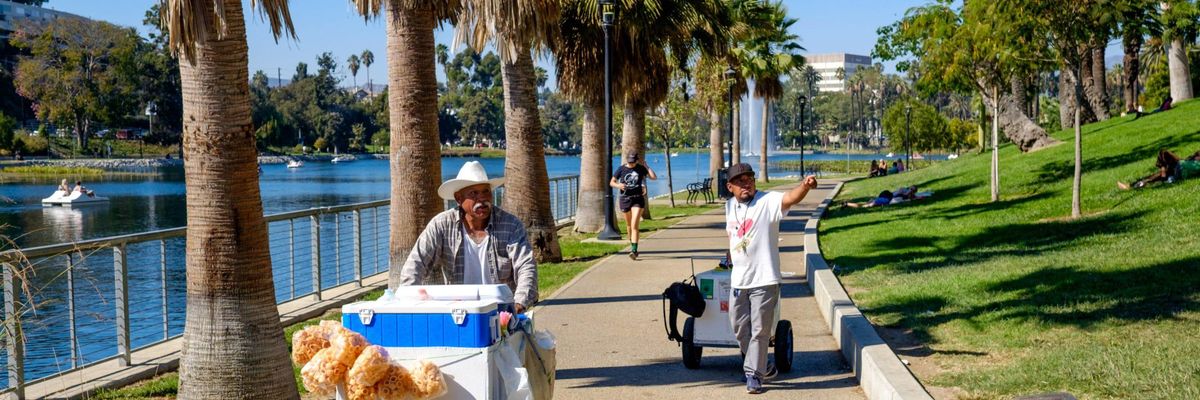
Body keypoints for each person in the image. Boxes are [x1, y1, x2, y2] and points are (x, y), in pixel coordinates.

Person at [723, 163, 818, 394]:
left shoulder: (767, 201)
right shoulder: (729, 206)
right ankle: (763, 364)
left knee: (760, 330)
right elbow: (735, 237)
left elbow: (790, 198)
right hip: (739, 280)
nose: (746, 184)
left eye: (750, 179)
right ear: (730, 186)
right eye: (740, 181)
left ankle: (754, 375)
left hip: (765, 279)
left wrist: (805, 186)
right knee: (739, 329)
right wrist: (729, 255)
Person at [397, 161, 538, 313]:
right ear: (459, 198)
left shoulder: (511, 225)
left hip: (502, 311)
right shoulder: (441, 225)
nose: (482, 199)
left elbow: (526, 266)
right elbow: (415, 265)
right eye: (474, 194)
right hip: (459, 313)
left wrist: (519, 304)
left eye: (485, 192)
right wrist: (408, 303)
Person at [610, 151, 656, 260]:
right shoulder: (621, 169)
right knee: (629, 225)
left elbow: (653, 177)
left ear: (636, 160)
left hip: (637, 199)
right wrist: (618, 185)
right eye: (630, 162)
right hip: (625, 199)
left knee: (634, 224)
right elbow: (611, 182)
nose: (631, 164)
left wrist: (647, 166)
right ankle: (632, 244)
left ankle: (634, 251)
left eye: (633, 162)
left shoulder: (640, 168)